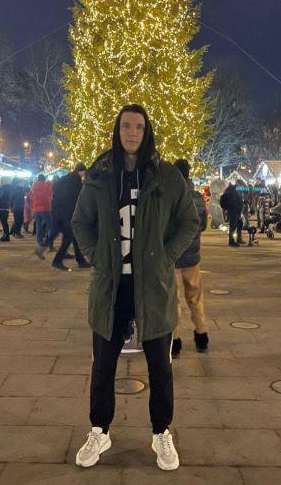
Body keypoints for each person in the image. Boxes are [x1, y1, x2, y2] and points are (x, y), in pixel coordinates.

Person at [72, 104, 199, 472]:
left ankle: (161, 432)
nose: (132, 133)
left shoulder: (166, 175)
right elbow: (80, 221)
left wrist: (166, 256)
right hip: (112, 287)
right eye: (126, 126)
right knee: (103, 365)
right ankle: (99, 430)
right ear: (117, 130)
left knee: (160, 366)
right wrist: (96, 255)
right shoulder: (100, 175)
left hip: (153, 286)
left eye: (139, 127)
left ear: (147, 132)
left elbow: (190, 220)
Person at [171, 158, 208, 358]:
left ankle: (174, 341)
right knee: (195, 297)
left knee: (173, 299)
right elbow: (203, 225)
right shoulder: (197, 197)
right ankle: (202, 335)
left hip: (173, 258)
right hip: (192, 256)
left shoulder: (170, 196)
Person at [51, 163, 90, 271]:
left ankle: (80, 260)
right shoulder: (75, 181)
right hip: (68, 214)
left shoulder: (65, 178)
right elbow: (78, 197)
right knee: (68, 237)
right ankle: (57, 261)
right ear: (81, 171)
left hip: (60, 212)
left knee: (74, 237)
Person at [29, 173, 54, 258]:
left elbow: (31, 195)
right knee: (51, 227)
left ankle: (40, 244)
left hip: (36, 209)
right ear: (44, 179)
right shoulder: (47, 185)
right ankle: (50, 245)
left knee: (39, 227)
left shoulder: (33, 186)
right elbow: (51, 188)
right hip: (46, 209)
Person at [220, 181, 243, 246]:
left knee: (239, 223)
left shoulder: (232, 191)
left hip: (235, 211)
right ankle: (231, 241)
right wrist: (230, 207)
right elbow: (233, 201)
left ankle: (238, 238)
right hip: (233, 211)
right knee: (233, 226)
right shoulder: (231, 192)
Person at [0, 178, 12, 242]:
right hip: (6, 206)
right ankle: (6, 235)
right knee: (5, 222)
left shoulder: (3, 188)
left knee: (3, 222)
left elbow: (0, 196)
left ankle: (6, 236)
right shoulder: (9, 188)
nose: (0, 182)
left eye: (1, 181)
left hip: (2, 206)